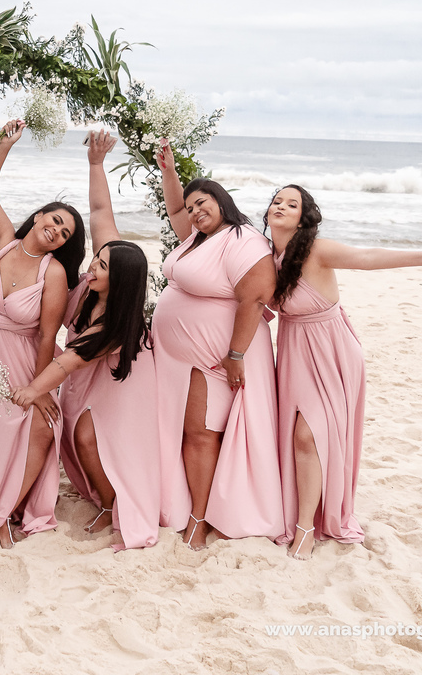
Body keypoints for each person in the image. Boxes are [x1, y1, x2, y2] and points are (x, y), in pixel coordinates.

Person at [264, 185, 422, 559]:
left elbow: (368, 256)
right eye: (277, 201)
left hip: (332, 348)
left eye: (292, 204)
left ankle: (307, 526)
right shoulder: (266, 254)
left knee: (309, 436)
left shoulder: (318, 249)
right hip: (294, 350)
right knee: (298, 435)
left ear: (304, 217)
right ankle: (304, 511)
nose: (281, 207)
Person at [9, 130, 162, 550]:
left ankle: (115, 505)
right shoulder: (93, 281)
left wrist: (31, 390)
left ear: (123, 282)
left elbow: (68, 362)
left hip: (118, 377)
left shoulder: (112, 325)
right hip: (84, 372)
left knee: (90, 436)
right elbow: (99, 209)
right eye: (97, 259)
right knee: (78, 432)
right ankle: (102, 496)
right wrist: (96, 164)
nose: (92, 267)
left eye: (103, 266)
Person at [152, 143, 282, 549]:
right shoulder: (195, 239)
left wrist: (237, 354)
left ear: (222, 201)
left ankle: (200, 518)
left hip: (217, 357)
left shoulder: (242, 238)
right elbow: (175, 212)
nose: (193, 212)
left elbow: (255, 297)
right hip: (179, 357)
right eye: (190, 208)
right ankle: (194, 507)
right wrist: (169, 171)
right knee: (188, 432)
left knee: (202, 433)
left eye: (202, 203)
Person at [0, 119, 86, 549]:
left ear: (61, 244)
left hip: (23, 358)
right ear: (39, 216)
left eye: (64, 232)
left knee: (35, 426)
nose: (55, 229)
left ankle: (3, 513)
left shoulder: (52, 273)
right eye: (54, 220)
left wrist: (38, 389)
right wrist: (5, 144)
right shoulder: (3, 241)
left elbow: (45, 336)